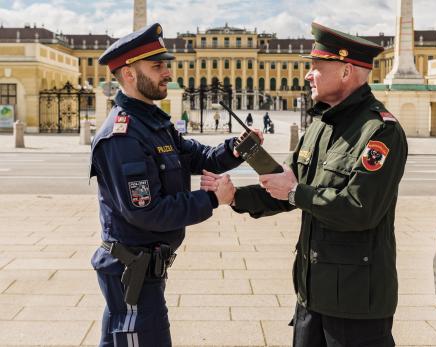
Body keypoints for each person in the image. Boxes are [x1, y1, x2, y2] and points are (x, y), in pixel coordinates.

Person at [202, 22, 407, 347]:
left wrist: (295, 191)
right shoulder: (320, 127)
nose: (308, 75)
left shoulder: (379, 132)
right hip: (311, 294)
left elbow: (359, 210)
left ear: (345, 72)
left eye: (316, 68)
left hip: (356, 304)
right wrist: (236, 198)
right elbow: (287, 191)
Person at [90, 23, 259, 347]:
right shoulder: (123, 136)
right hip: (133, 274)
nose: (167, 72)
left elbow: (197, 157)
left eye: (165, 64)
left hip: (144, 270)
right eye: (157, 66)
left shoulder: (152, 124)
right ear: (128, 75)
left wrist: (237, 148)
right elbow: (148, 212)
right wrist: (211, 199)